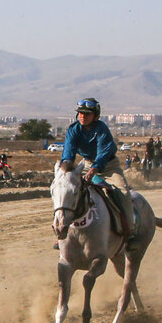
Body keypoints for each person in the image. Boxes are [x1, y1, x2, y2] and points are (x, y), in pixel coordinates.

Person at [61, 97, 137, 248]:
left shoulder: (101, 129)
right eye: (81, 113)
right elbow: (68, 152)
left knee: (123, 193)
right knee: (67, 193)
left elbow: (104, 152)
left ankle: (130, 233)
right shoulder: (73, 129)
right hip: (87, 164)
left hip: (109, 167)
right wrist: (65, 167)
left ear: (95, 116)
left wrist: (94, 170)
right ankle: (61, 232)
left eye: (87, 114)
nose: (83, 116)